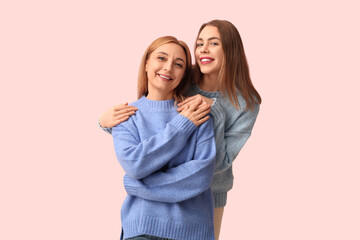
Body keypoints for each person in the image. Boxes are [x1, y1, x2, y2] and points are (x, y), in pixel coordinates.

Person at [100, 20, 262, 240]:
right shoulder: (182, 79)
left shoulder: (246, 104)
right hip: (150, 208)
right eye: (199, 43)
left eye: (213, 43)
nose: (203, 49)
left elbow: (217, 164)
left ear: (230, 50)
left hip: (209, 193)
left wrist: (213, 110)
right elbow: (149, 116)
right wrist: (105, 123)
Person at [112, 36, 216, 240]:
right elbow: (134, 165)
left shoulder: (197, 112)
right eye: (161, 58)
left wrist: (138, 185)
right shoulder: (125, 116)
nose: (168, 68)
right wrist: (182, 125)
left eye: (179, 64)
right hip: (142, 230)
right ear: (146, 63)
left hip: (193, 231)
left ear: (183, 74)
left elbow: (200, 176)